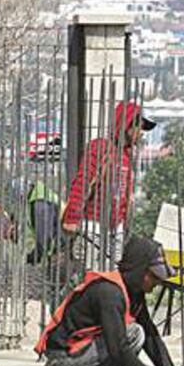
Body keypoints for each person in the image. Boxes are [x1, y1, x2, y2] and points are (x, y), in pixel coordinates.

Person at [35, 236, 182, 366]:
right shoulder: (109, 293)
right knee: (134, 334)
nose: (157, 282)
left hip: (82, 351)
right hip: (62, 359)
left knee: (140, 333)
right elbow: (118, 349)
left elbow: (151, 338)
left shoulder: (133, 293)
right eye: (153, 276)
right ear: (139, 270)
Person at [63, 101, 155, 266]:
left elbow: (125, 198)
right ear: (127, 126)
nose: (141, 134)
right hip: (93, 226)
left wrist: (124, 224)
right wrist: (72, 217)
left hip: (115, 230)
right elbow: (82, 183)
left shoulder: (127, 157)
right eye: (138, 128)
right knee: (89, 277)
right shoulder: (100, 148)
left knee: (110, 278)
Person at [10, 179, 62, 264]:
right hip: (56, 245)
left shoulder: (40, 204)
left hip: (60, 246)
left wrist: (35, 256)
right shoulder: (38, 196)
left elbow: (45, 235)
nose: (20, 201)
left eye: (20, 198)